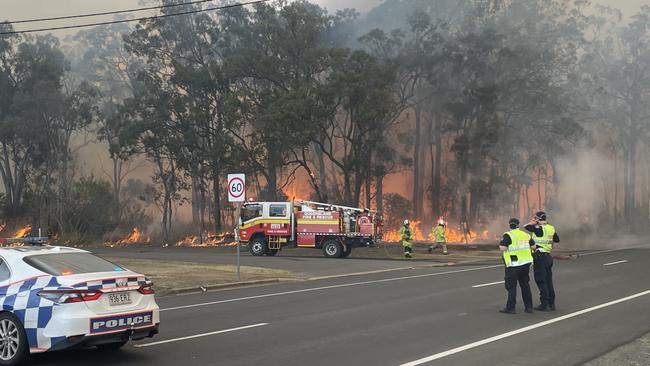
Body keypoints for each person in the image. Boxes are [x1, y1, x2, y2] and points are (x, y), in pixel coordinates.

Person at [499, 218, 535, 314]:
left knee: (511, 287)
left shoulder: (508, 235)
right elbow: (533, 247)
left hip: (513, 264)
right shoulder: (525, 235)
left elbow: (503, 248)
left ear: (510, 225)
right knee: (525, 285)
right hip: (525, 264)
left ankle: (511, 308)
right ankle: (529, 307)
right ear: (518, 225)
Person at [525, 211, 560, 311]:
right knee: (549, 281)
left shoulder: (539, 228)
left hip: (540, 257)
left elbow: (525, 226)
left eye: (535, 218)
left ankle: (544, 304)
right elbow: (557, 240)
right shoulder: (551, 228)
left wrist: (534, 223)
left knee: (541, 280)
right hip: (548, 256)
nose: (534, 220)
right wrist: (550, 247)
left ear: (538, 219)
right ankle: (551, 303)